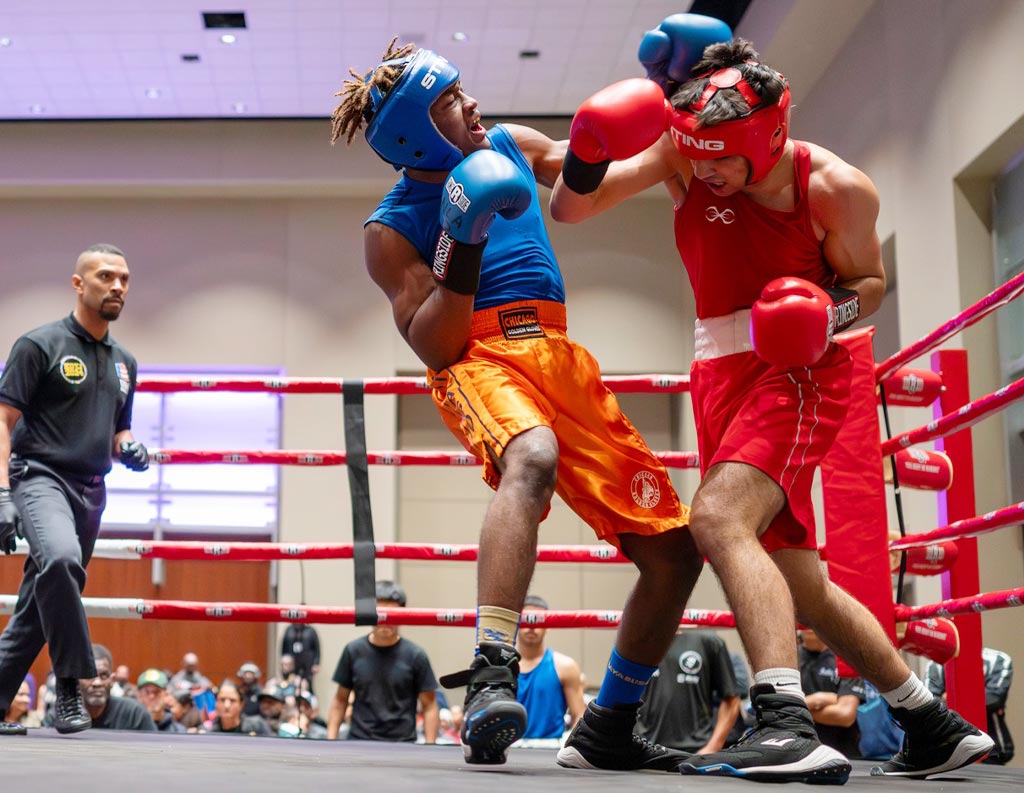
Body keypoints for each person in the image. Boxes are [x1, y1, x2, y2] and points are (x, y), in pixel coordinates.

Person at [549, 13, 995, 782]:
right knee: (797, 579)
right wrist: (587, 151)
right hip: (717, 373)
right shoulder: (686, 153)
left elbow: (869, 285)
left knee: (717, 518)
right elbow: (572, 208)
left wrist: (829, 313)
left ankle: (785, 720)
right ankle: (930, 721)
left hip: (802, 369)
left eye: (723, 160)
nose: (707, 173)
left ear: (765, 138)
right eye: (700, 159)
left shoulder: (835, 187)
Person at [330, 37, 705, 771]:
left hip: (560, 355)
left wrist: (665, 115)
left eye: (462, 89)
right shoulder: (389, 228)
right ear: (412, 131)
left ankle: (611, 721)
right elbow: (435, 346)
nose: (472, 104)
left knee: (674, 551)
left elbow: (588, 186)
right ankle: (493, 667)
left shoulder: (508, 141)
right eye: (449, 101)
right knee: (530, 455)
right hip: (479, 357)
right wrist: (459, 240)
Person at [0, 242, 148, 736]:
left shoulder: (125, 361)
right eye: (105, 276)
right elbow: (3, 420)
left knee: (40, 603)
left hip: (91, 491)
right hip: (40, 477)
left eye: (124, 278)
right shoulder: (39, 345)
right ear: (78, 284)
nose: (118, 286)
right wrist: (2, 495)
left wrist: (130, 447)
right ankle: (69, 685)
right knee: (62, 563)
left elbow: (118, 428)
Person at [325, 581, 439, 743]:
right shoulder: (353, 651)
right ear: (370, 613)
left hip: (402, 745)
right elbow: (340, 700)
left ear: (403, 614)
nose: (386, 620)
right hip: (359, 742)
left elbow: (429, 706)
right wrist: (331, 741)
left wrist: (430, 747)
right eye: (380, 613)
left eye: (392, 613)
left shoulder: (416, 655)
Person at [636, 628, 741, 755]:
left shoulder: (709, 641)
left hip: (695, 751)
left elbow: (731, 700)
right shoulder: (635, 639)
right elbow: (617, 696)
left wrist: (713, 747)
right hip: (643, 749)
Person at [925, 647, 1014, 765]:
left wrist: (948, 697)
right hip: (947, 751)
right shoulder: (936, 664)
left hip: (992, 751)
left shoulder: (997, 660)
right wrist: (980, 694)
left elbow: (994, 699)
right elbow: (930, 706)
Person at [515, 595, 586, 740]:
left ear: (548, 625)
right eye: (527, 619)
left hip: (550, 750)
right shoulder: (500, 666)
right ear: (516, 623)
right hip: (507, 749)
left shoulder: (565, 666)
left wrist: (569, 745)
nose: (532, 625)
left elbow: (579, 715)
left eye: (538, 619)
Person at [42, 644, 154, 731]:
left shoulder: (135, 714)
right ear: (77, 681)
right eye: (89, 676)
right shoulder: (62, 717)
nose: (97, 683)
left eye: (104, 676)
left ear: (112, 680)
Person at [797, 628, 866, 758]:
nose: (808, 625)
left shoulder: (846, 657)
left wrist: (795, 709)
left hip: (843, 755)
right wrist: (819, 700)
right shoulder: (788, 659)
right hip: (798, 754)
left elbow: (844, 715)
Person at [207, 679, 273, 736]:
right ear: (216, 703)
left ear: (241, 704)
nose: (227, 705)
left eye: (232, 700)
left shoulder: (257, 726)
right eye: (222, 700)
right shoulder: (208, 731)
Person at [136, 667, 186, 733]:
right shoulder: (128, 729)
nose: (152, 696)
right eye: (147, 692)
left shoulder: (178, 731)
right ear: (139, 696)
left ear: (166, 694)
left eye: (157, 691)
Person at [281, 623, 321, 690]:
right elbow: (283, 647)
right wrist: (283, 661)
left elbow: (316, 648)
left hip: (307, 664)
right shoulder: (289, 630)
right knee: (289, 685)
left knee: (307, 685)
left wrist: (316, 663)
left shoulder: (310, 631)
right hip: (291, 664)